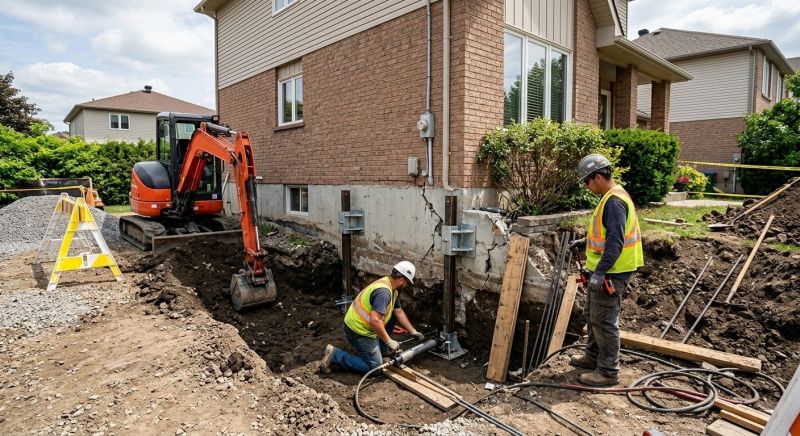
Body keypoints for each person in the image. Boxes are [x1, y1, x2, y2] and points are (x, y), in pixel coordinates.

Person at [569, 154, 644, 387]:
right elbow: (604, 235)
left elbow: (615, 242)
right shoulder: (609, 198)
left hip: (612, 271)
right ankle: (593, 357)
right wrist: (584, 243)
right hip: (605, 268)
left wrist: (600, 272)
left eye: (586, 181)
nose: (586, 186)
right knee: (592, 316)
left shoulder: (614, 201)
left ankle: (608, 372)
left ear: (598, 177)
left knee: (604, 321)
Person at [319, 261, 425, 374]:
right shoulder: (384, 293)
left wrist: (413, 331)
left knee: (392, 314)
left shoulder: (391, 288)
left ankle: (382, 350)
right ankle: (335, 354)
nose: (406, 285)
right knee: (375, 368)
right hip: (358, 331)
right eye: (407, 282)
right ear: (402, 280)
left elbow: (398, 312)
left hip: (364, 326)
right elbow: (375, 321)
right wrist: (389, 341)